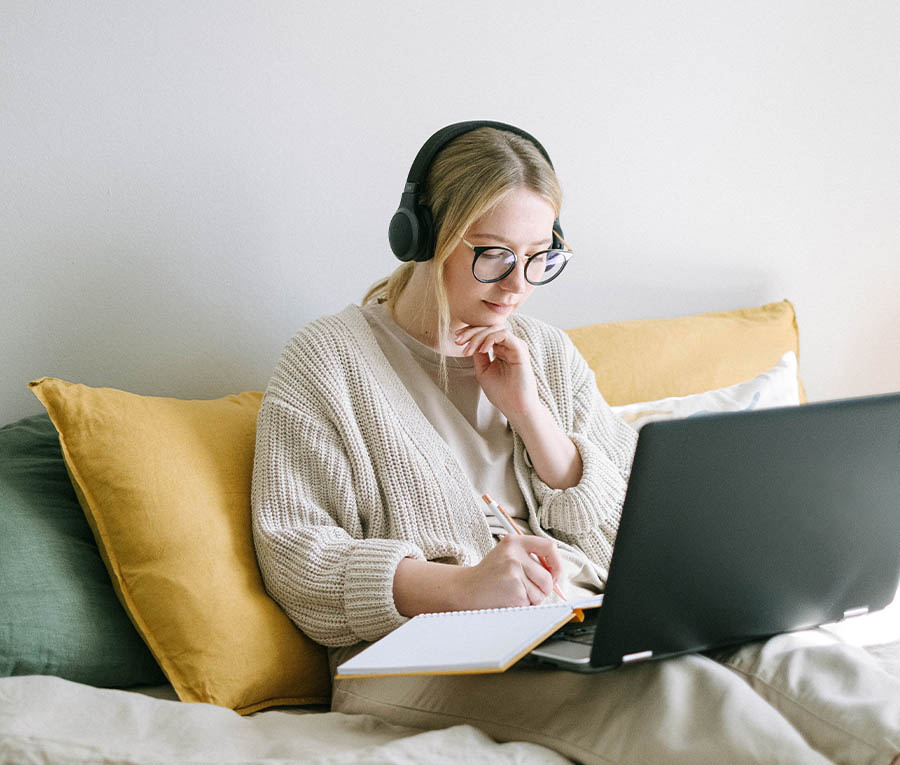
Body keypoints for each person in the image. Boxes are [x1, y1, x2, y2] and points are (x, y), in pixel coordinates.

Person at [251, 121, 900, 764]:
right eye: (493, 254)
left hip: (578, 622)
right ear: (422, 236)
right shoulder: (327, 363)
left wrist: (533, 417)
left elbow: (635, 537)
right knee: (679, 696)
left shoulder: (546, 354)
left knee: (792, 655)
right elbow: (300, 563)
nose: (517, 285)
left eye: (539, 257)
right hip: (414, 658)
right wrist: (464, 587)